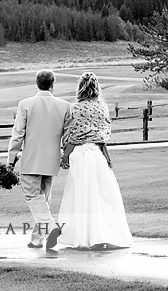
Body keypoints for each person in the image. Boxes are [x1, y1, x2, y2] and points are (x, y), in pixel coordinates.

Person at [57, 72, 133, 249]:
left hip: (81, 155)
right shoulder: (103, 107)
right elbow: (101, 139)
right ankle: (104, 234)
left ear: (80, 87)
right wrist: (107, 159)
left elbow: (73, 137)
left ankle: (83, 237)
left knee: (80, 196)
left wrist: (65, 156)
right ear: (96, 87)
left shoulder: (74, 108)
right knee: (103, 196)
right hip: (97, 156)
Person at [6, 69, 72, 250]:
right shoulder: (65, 106)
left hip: (31, 160)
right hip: (51, 161)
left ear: (37, 84)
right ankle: (37, 240)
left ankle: (51, 228)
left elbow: (18, 135)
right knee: (43, 200)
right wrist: (65, 157)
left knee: (34, 197)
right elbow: (67, 138)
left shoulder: (25, 104)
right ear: (53, 84)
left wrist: (11, 160)